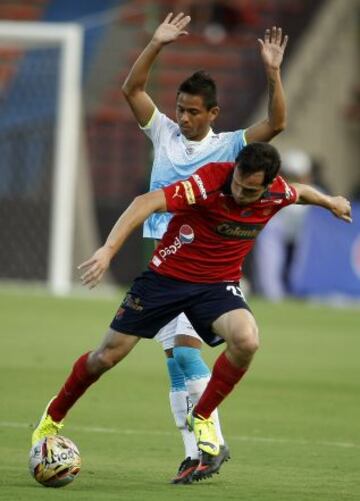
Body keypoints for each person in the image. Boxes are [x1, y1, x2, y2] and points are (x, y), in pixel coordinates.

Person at [32, 143, 352, 484]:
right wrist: (108, 251)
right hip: (165, 281)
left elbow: (299, 192)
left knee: (247, 340)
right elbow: (145, 202)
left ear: (268, 185)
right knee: (105, 357)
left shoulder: (276, 193)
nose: (240, 192)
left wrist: (329, 202)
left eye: (250, 190)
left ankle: (202, 417)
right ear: (235, 170)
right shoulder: (210, 181)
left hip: (216, 287)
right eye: (239, 183)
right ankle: (52, 418)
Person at [120, 11, 289, 483]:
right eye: (181, 109)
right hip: (161, 253)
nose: (184, 117)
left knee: (185, 354)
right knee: (176, 357)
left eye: (194, 111)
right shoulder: (164, 134)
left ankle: (207, 444)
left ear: (212, 114)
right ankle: (196, 448)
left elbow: (276, 123)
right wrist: (156, 43)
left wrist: (272, 72)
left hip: (196, 263)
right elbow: (132, 91)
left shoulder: (231, 145)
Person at [254, 149, 314, 300]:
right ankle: (273, 294)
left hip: (302, 234)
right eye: (290, 174)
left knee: (301, 261)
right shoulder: (272, 187)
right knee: (269, 240)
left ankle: (300, 291)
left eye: (297, 175)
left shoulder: (315, 191)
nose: (294, 178)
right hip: (278, 230)